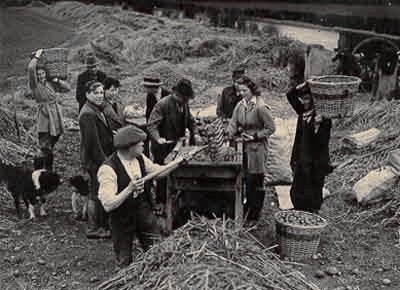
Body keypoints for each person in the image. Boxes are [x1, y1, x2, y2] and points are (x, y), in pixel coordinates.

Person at [98, 125, 187, 268]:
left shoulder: (139, 158)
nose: (142, 145)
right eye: (139, 143)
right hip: (121, 217)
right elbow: (108, 204)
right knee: (124, 259)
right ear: (129, 147)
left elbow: (157, 172)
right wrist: (129, 189)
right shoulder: (108, 170)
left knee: (156, 251)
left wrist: (177, 163)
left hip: (142, 209)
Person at [227, 76, 275, 222]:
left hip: (258, 148)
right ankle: (247, 207)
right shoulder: (240, 105)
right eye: (239, 90)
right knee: (246, 177)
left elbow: (271, 128)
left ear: (252, 90)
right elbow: (233, 123)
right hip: (244, 147)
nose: (242, 93)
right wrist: (227, 135)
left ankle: (255, 213)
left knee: (256, 179)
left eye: (245, 90)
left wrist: (255, 136)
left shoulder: (260, 107)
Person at [147, 78, 201, 205]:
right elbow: (151, 125)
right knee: (162, 175)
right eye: (184, 99)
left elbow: (191, 121)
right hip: (162, 146)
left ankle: (175, 199)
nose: (186, 101)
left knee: (176, 173)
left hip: (176, 145)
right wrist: (158, 138)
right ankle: (161, 202)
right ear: (176, 94)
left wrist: (196, 133)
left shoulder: (184, 103)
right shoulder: (162, 105)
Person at [286, 82, 333, 213]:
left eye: (306, 99)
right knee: (297, 189)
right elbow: (290, 95)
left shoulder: (324, 119)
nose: (303, 101)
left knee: (313, 190)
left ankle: (312, 214)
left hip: (315, 161)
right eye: (302, 99)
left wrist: (317, 127)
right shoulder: (303, 112)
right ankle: (298, 210)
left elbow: (323, 142)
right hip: (301, 158)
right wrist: (304, 84)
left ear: (314, 101)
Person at [79, 81, 114, 238]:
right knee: (95, 193)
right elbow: (92, 143)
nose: (100, 96)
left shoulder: (96, 109)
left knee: (98, 190)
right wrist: (105, 162)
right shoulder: (88, 114)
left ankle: (100, 223)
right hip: (95, 160)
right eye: (96, 93)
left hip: (99, 158)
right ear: (87, 94)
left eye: (101, 92)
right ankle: (93, 228)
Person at [28, 49, 71, 171]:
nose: (41, 76)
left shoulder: (50, 83)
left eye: (42, 73)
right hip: (45, 117)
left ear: (46, 74)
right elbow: (31, 69)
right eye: (38, 74)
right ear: (36, 76)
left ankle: (48, 171)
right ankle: (38, 171)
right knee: (44, 145)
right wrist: (36, 56)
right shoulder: (35, 85)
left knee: (52, 143)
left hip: (55, 115)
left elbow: (67, 88)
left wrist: (58, 81)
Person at [143, 73, 170, 157]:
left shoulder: (168, 95)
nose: (145, 89)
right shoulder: (149, 96)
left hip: (167, 131)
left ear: (153, 87)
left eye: (146, 87)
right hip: (155, 130)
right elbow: (149, 113)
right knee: (156, 152)